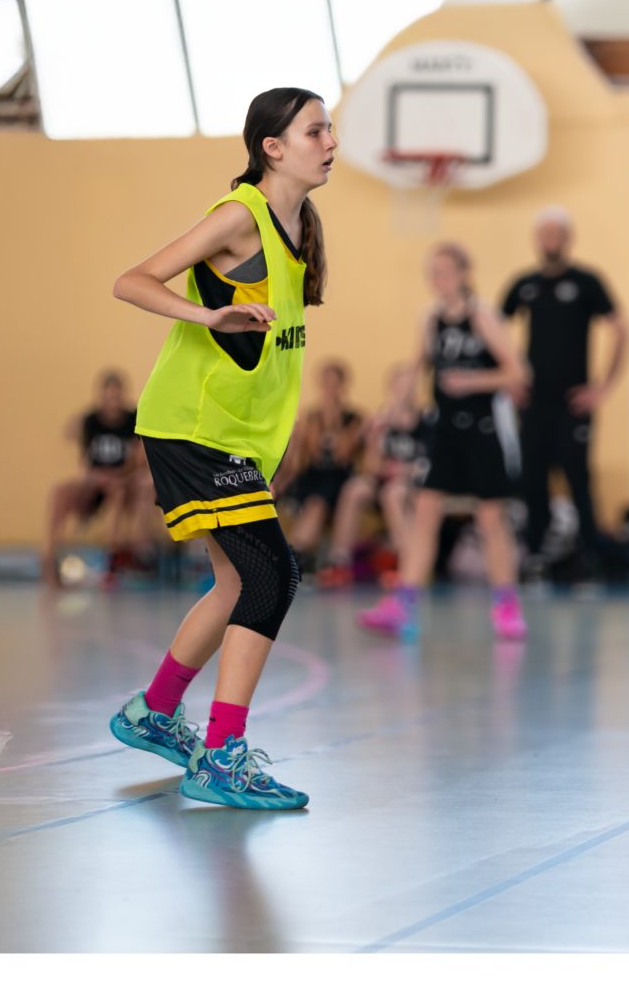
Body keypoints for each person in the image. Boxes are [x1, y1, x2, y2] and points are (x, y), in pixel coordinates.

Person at [105, 87, 336, 810]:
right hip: (193, 425)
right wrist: (206, 314)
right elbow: (132, 281)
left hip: (235, 434)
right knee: (273, 576)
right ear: (273, 146)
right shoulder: (240, 216)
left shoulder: (300, 225)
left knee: (238, 582)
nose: (331, 142)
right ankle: (222, 756)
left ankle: (154, 711)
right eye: (315, 131)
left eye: (330, 129)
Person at [357, 242, 529, 642]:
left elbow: (518, 372)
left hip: (483, 428)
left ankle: (506, 606)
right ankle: (404, 603)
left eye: (446, 271)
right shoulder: (430, 318)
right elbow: (414, 370)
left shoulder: (481, 315)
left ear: (464, 274)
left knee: (490, 519)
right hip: (446, 429)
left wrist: (472, 381)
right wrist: (387, 413)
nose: (438, 279)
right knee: (424, 511)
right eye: (433, 272)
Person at [500, 207, 629, 583]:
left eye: (556, 233)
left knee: (578, 478)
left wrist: (603, 386)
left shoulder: (586, 281)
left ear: (568, 238)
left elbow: (621, 329)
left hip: (573, 402)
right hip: (533, 401)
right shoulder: (524, 284)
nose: (550, 240)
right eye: (544, 234)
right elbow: (493, 328)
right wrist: (509, 379)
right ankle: (536, 556)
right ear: (536, 239)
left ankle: (590, 556)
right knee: (533, 480)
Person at [42, 369, 156, 585]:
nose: (112, 400)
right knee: (60, 491)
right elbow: (86, 462)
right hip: (96, 480)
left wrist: (118, 475)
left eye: (116, 395)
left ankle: (116, 555)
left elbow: (137, 459)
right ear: (101, 396)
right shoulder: (91, 420)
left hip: (123, 480)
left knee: (122, 489)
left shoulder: (132, 419)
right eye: (108, 395)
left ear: (122, 395)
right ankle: (50, 556)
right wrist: (95, 478)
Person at [323, 363, 431, 586]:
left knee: (393, 493)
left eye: (408, 387)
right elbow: (371, 467)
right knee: (354, 489)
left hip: (413, 483)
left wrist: (406, 470)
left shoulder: (426, 421)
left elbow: (433, 462)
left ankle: (408, 564)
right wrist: (375, 439)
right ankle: (340, 561)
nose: (404, 393)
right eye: (399, 387)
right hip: (384, 480)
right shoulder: (383, 421)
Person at [276, 358, 365, 577]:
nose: (329, 389)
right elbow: (314, 452)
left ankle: (299, 559)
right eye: (325, 383)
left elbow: (342, 454)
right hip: (314, 476)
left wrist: (333, 418)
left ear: (343, 386)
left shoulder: (354, 418)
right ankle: (296, 556)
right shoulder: (311, 417)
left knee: (320, 501)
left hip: (339, 476)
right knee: (315, 504)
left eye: (334, 384)